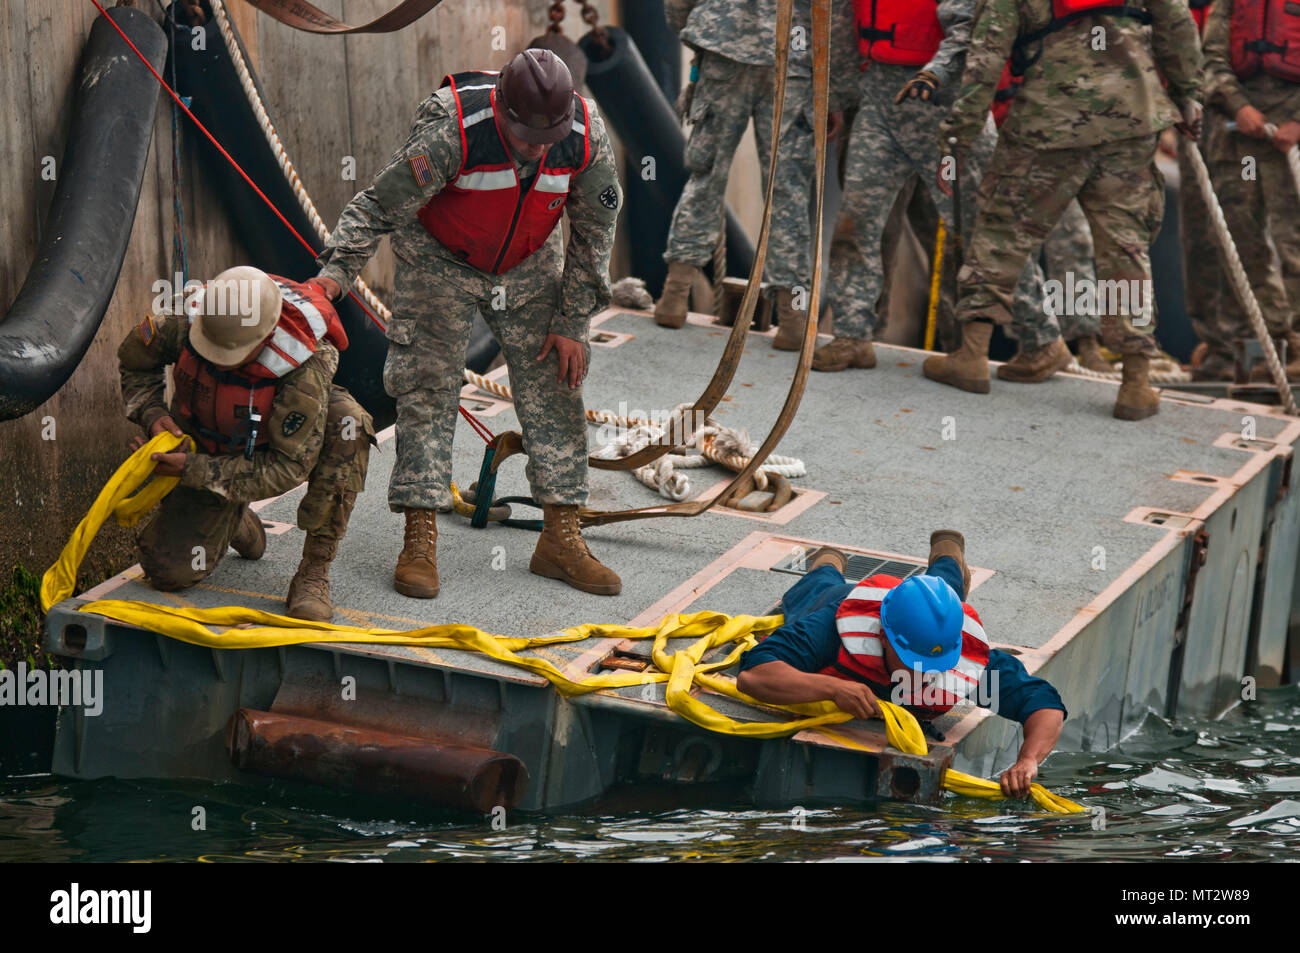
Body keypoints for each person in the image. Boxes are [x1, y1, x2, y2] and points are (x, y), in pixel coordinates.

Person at [312, 49, 623, 599]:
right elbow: (376, 207)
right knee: (426, 387)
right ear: (503, 111)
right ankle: (419, 536)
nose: (536, 149)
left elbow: (595, 230)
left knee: (557, 380)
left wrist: (573, 320)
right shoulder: (453, 130)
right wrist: (336, 275)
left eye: (546, 136)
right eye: (525, 135)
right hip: (440, 258)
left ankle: (560, 537)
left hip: (527, 263)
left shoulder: (583, 134)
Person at [926, 0, 1203, 418]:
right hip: (1133, 116)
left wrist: (958, 135)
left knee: (1002, 232)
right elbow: (1177, 24)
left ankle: (972, 356)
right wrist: (1186, 96)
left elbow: (985, 58)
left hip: (1049, 120)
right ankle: (1135, 383)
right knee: (1125, 247)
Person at [812, 0, 1070, 386]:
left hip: (945, 106)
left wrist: (935, 72)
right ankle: (852, 334)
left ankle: (1042, 339)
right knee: (857, 218)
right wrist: (837, 96)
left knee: (982, 231)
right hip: (879, 100)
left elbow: (967, 30)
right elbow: (842, 25)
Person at [117, 266, 373, 621]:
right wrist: (151, 413)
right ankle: (234, 517)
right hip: (208, 441)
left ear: (266, 336)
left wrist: (192, 471)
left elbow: (288, 466)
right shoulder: (188, 317)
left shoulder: (303, 366)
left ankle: (314, 572)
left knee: (349, 425)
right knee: (166, 571)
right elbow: (134, 362)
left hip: (276, 443)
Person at [736, 533, 1066, 797]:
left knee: (944, 591)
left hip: (924, 615)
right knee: (818, 586)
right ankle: (828, 560)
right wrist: (831, 686)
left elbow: (1043, 705)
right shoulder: (832, 630)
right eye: (914, 663)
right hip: (841, 595)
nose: (925, 674)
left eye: (935, 664)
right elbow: (754, 674)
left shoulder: (968, 658)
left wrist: (1027, 761)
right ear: (881, 637)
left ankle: (949, 557)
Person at [655, 0, 857, 346]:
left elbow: (678, 5)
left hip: (724, 49)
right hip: (792, 59)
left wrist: (704, 31)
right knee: (788, 191)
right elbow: (836, 13)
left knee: (706, 176)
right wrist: (835, 91)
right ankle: (793, 320)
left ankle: (674, 297)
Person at [1200, 0, 1300, 380]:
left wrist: (1298, 121)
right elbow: (1211, 58)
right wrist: (1238, 105)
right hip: (1242, 140)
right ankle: (1278, 337)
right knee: (1242, 237)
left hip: (1291, 137)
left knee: (1294, 240)